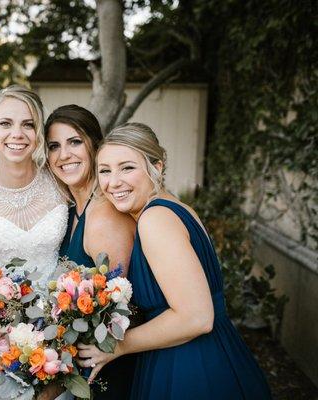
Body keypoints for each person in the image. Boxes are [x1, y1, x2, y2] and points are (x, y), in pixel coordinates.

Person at [78, 123, 272, 399]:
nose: (114, 182)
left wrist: (116, 347)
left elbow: (196, 318)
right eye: (105, 171)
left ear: (156, 167)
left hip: (190, 366)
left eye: (127, 167)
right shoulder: (177, 208)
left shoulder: (155, 220)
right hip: (210, 351)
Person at [45, 105, 136, 399]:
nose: (64, 155)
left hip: (105, 366)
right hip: (79, 364)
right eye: (54, 146)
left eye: (75, 142)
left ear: (94, 146)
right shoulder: (72, 211)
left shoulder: (104, 215)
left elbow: (121, 307)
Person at [0, 85, 68, 288]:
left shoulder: (60, 180)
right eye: (5, 123)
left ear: (39, 132)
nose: (17, 134)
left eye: (28, 125)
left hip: (60, 310)